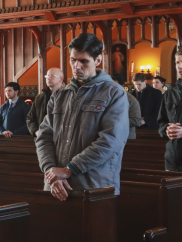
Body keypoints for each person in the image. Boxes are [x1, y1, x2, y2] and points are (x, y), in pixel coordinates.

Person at [36, 33, 129, 201]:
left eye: (84, 61)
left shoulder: (114, 92)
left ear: (98, 60)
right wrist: (51, 170)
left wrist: (69, 169)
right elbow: (44, 136)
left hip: (94, 187)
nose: (76, 66)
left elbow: (111, 140)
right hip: (55, 185)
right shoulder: (59, 95)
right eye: (73, 60)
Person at [27, 68, 64, 136]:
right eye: (47, 76)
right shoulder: (40, 97)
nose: (48, 78)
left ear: (61, 79)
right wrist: (35, 131)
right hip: (42, 138)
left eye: (52, 76)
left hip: (61, 138)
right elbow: (30, 118)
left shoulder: (68, 96)